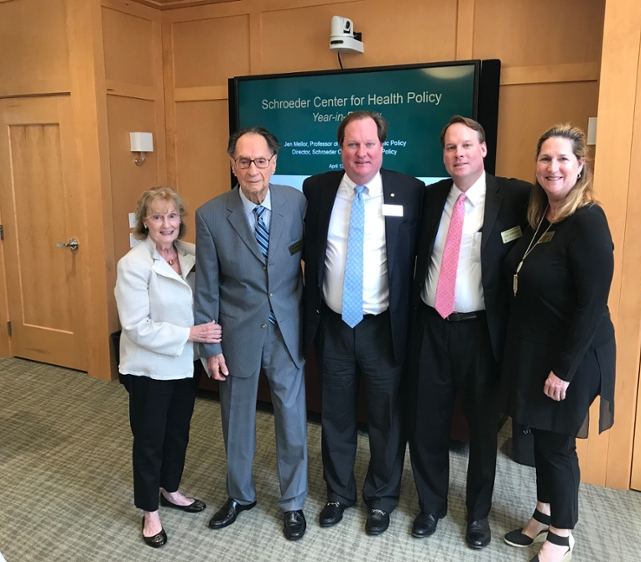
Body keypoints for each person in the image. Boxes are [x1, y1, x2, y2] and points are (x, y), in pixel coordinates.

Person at [408, 115, 531, 548]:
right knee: (427, 424)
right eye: (449, 148)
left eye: (466, 146)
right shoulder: (429, 197)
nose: (458, 154)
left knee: (481, 429)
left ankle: (477, 515)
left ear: (483, 149)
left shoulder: (515, 196)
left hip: (482, 333)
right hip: (431, 327)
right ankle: (431, 506)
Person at [302, 110, 425, 535]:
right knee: (334, 415)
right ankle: (338, 493)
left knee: (386, 419)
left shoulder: (409, 191)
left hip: (382, 328)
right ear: (340, 148)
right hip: (333, 325)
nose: (361, 153)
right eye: (352, 144)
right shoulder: (316, 189)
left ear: (383, 146)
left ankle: (381, 498)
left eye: (369, 143)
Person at [500, 124, 616, 562]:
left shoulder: (587, 220)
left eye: (563, 158)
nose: (553, 167)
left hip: (574, 356)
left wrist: (564, 370)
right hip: (537, 349)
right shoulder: (540, 216)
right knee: (540, 439)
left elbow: (591, 305)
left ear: (580, 165)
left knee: (556, 445)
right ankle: (544, 512)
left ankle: (562, 534)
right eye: (545, 159)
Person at [194, 127, 308, 540]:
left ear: (274, 163)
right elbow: (206, 286)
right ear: (232, 165)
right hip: (237, 333)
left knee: (292, 421)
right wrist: (210, 347)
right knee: (236, 422)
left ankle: (293, 501)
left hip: (287, 330)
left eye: (261, 160)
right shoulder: (209, 215)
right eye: (244, 161)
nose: (253, 169)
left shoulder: (297, 203)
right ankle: (240, 495)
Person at [115, 186, 222, 548]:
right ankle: (150, 512)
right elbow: (136, 326)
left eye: (172, 215)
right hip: (148, 369)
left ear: (181, 219)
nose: (166, 223)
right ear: (144, 221)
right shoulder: (133, 264)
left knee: (178, 432)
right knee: (149, 441)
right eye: (157, 216)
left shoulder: (191, 254)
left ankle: (170, 490)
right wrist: (191, 333)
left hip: (185, 363)